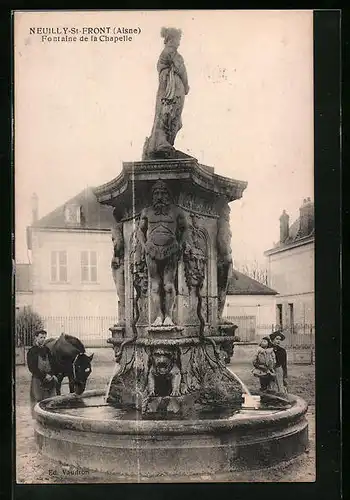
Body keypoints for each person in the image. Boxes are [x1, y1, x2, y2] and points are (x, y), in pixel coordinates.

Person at [138, 179, 188, 327]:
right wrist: (144, 244)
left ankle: (169, 316)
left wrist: (180, 244)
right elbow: (140, 231)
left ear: (168, 195)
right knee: (154, 286)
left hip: (171, 249)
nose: (159, 196)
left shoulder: (176, 211)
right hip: (151, 250)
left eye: (163, 193)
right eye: (156, 193)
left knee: (168, 285)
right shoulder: (146, 212)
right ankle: (159, 315)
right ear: (153, 196)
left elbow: (185, 229)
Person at [143, 27, 190, 159]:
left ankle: (163, 141)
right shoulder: (171, 52)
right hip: (171, 87)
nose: (179, 43)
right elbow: (181, 68)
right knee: (168, 112)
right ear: (171, 39)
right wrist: (186, 86)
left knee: (168, 113)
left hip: (169, 86)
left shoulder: (167, 52)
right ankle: (160, 142)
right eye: (178, 39)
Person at [27, 329, 57, 417]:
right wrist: (44, 375)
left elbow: (53, 364)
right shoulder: (32, 351)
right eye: (41, 337)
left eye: (44, 337)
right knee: (38, 401)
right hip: (38, 380)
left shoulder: (47, 350)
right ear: (36, 338)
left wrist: (51, 374)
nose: (43, 339)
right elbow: (32, 368)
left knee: (50, 401)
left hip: (49, 380)